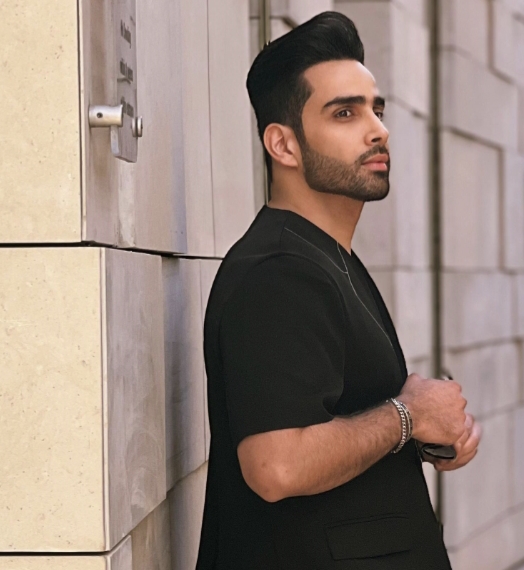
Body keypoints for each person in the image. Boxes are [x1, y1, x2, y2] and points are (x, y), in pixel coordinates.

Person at [195, 12, 480, 569]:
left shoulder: (327, 258)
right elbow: (276, 466)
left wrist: (423, 431)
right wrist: (408, 414)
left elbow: (334, 422)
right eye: (345, 113)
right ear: (283, 144)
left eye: (377, 109)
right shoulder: (279, 271)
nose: (378, 130)